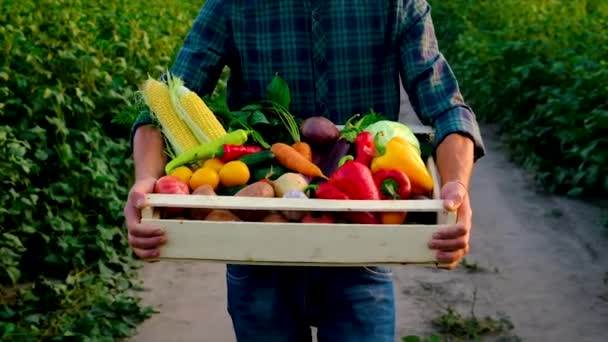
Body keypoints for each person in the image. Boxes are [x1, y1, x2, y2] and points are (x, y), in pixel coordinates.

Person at [123, 0, 486, 341]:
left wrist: (456, 188)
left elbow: (447, 109)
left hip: (357, 244)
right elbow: (160, 108)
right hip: (259, 242)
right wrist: (145, 181)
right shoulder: (233, 4)